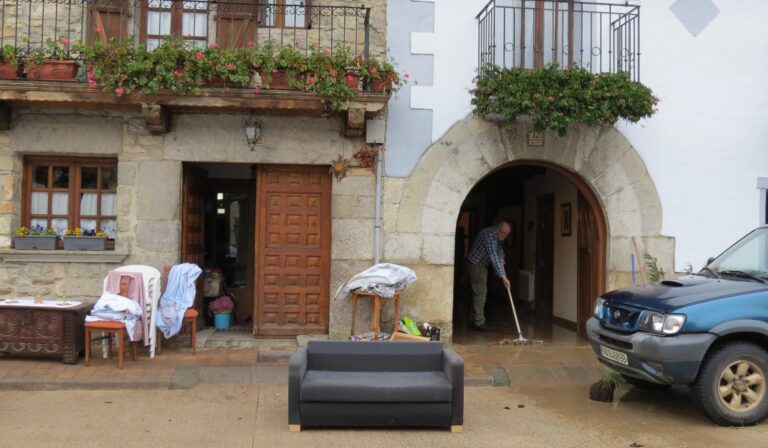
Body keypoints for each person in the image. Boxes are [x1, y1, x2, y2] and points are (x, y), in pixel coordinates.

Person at [466, 221, 511, 331]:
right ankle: (479, 322)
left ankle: (473, 319)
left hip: (481, 265)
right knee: (481, 292)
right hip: (476, 265)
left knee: (478, 292)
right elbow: (494, 257)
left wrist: (502, 256)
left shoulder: (496, 234)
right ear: (499, 230)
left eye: (507, 234)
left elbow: (498, 248)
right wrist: (503, 277)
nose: (506, 236)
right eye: (505, 234)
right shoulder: (490, 236)